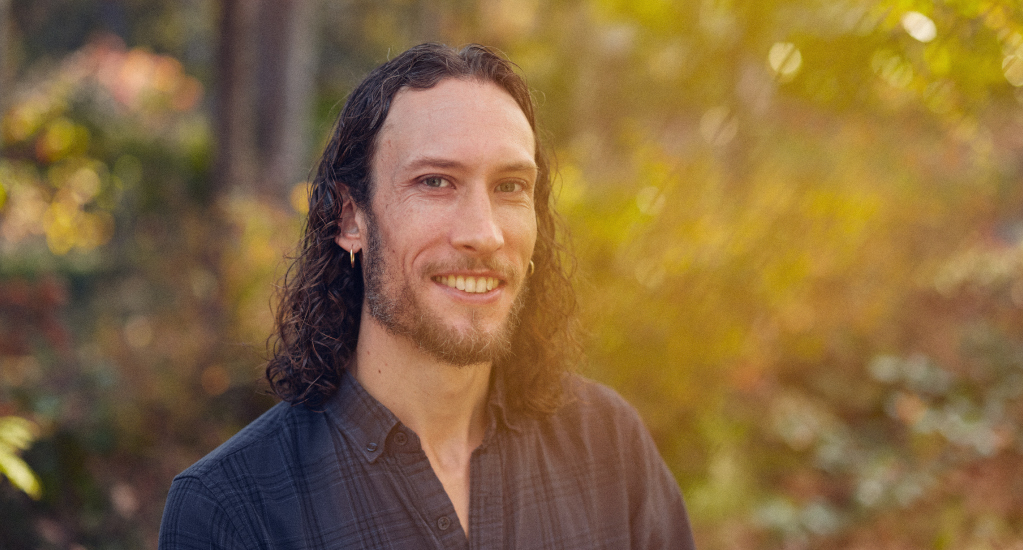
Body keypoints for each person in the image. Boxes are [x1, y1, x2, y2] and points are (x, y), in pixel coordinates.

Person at [158, 42, 695, 549]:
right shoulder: (232, 510)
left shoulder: (610, 447)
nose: (483, 234)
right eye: (436, 182)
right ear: (350, 218)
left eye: (510, 187)